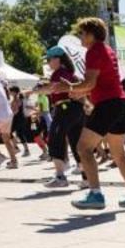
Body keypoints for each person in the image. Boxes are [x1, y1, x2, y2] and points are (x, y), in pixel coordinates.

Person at [64, 18, 125, 210]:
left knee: (83, 148)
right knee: (119, 154)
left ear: (91, 35)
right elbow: (97, 84)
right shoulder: (106, 50)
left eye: (82, 33)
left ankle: (96, 194)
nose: (80, 37)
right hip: (119, 103)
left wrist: (70, 87)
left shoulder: (94, 51)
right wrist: (79, 91)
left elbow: (89, 83)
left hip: (109, 104)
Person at [33, 47, 84, 188]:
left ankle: (60, 177)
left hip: (64, 109)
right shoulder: (70, 73)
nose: (48, 63)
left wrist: (36, 89)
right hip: (76, 109)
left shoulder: (58, 73)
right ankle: (86, 178)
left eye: (49, 60)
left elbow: (52, 89)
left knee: (54, 140)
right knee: (76, 143)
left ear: (57, 59)